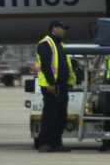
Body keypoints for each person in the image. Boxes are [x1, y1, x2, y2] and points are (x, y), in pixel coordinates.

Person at [33, 20, 79, 152]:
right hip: (51, 85)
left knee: (61, 116)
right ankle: (44, 143)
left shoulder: (60, 44)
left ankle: (56, 143)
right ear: (54, 29)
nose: (64, 31)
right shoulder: (46, 43)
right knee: (50, 115)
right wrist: (51, 83)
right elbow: (46, 65)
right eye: (62, 28)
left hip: (62, 85)